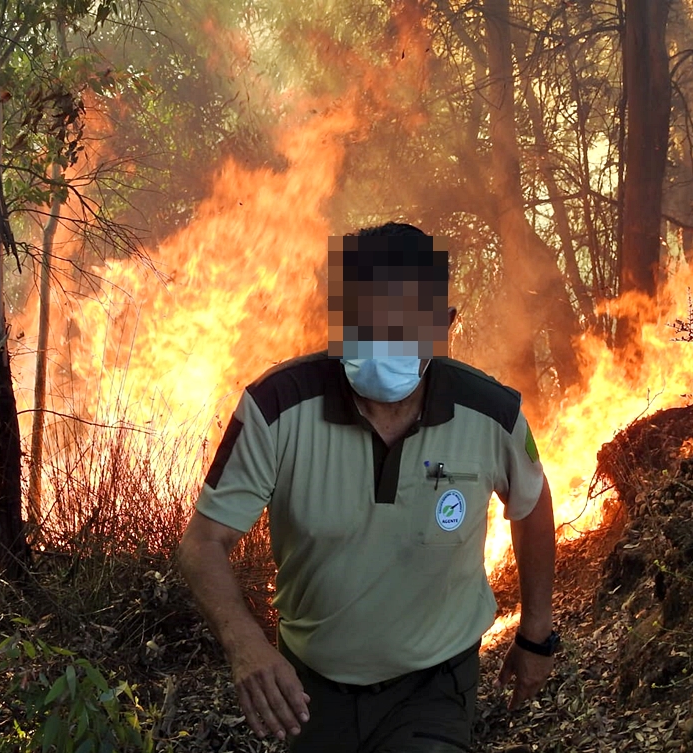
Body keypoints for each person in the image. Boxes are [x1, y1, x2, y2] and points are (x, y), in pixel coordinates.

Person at [178, 222, 557, 752]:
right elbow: (202, 542)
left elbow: (532, 502)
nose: (384, 336)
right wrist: (246, 645)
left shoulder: (492, 414)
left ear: (443, 326)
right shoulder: (276, 408)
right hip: (310, 687)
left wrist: (537, 633)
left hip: (434, 683)